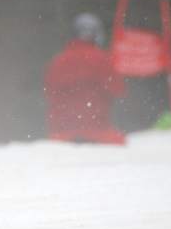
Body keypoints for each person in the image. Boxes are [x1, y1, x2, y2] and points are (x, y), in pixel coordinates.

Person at [44, 12, 127, 145]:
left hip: (62, 134)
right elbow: (119, 90)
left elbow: (49, 92)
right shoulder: (103, 60)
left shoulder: (58, 61)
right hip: (98, 132)